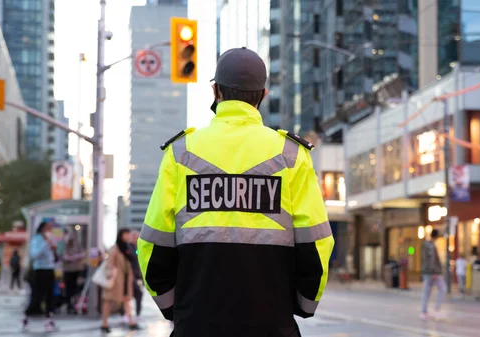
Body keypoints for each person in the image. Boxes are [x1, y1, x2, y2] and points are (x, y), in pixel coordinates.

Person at [138, 47, 335, 337]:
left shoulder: (181, 152)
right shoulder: (291, 155)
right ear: (264, 95)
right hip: (272, 326)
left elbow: (152, 246)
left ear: (215, 90)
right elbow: (316, 244)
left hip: (196, 325)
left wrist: (175, 308)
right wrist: (303, 305)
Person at [100, 228, 140, 333]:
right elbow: (109, 263)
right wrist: (109, 275)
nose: (127, 236)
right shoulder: (115, 248)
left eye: (128, 234)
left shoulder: (128, 247)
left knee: (127, 301)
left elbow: (133, 261)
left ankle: (131, 322)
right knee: (108, 301)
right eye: (125, 234)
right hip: (115, 280)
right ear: (120, 235)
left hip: (125, 280)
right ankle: (104, 323)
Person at [22, 221, 59, 332]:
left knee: (50, 296)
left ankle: (49, 320)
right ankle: (25, 317)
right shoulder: (37, 240)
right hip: (40, 271)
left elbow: (53, 256)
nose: (49, 230)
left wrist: (53, 248)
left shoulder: (51, 239)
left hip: (50, 270)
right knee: (37, 296)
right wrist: (45, 244)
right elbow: (34, 255)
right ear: (42, 228)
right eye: (48, 227)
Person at [420, 229, 445, 320]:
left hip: (428, 272)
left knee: (427, 292)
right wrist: (433, 272)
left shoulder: (427, 244)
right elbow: (431, 259)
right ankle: (435, 309)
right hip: (432, 272)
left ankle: (424, 311)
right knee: (442, 288)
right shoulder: (430, 245)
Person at [120, 230, 143, 322]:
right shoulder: (128, 247)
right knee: (131, 295)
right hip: (130, 275)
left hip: (135, 275)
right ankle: (126, 314)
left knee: (133, 295)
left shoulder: (134, 247)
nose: (137, 238)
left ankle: (130, 314)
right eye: (135, 237)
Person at [63, 234, 85, 314]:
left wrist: (75, 257)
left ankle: (76, 305)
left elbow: (83, 254)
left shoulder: (78, 246)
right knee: (68, 290)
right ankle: (69, 305)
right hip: (68, 271)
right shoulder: (65, 247)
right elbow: (64, 256)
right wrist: (72, 258)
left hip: (77, 270)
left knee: (77, 289)